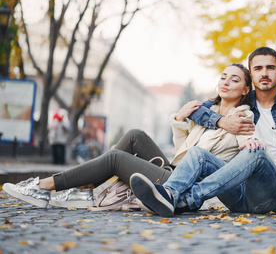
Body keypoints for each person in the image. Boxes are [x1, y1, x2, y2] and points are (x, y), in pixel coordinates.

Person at [2, 63, 261, 210]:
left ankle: (42, 187)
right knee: (135, 135)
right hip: (175, 168)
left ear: (245, 89)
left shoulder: (243, 117)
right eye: (223, 77)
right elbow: (182, 149)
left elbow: (243, 145)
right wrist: (181, 119)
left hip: (184, 184)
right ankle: (83, 190)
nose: (225, 82)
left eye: (234, 79)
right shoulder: (207, 112)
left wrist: (248, 141)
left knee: (115, 158)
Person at [130, 47, 276, 217]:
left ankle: (187, 200)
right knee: (198, 155)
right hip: (238, 192)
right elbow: (198, 110)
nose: (264, 73)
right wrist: (223, 121)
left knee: (255, 151)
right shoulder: (241, 102)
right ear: (251, 75)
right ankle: (168, 195)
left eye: (270, 68)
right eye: (258, 68)